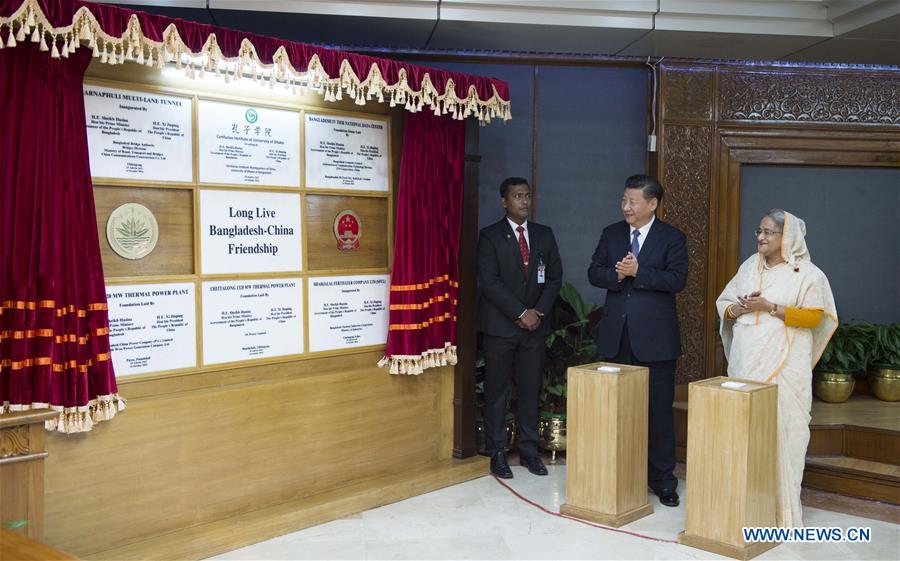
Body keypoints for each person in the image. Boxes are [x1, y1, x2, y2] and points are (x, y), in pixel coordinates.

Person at [716, 209, 837, 527]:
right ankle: (743, 507)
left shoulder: (808, 275)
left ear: (788, 237)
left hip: (786, 368)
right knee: (744, 432)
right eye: (759, 231)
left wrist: (770, 307)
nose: (760, 237)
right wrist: (738, 308)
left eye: (769, 232)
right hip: (746, 363)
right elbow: (724, 305)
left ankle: (781, 513)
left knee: (786, 433)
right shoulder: (748, 267)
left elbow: (814, 317)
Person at [587, 174, 688, 507]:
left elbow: (677, 280)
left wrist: (638, 272)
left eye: (632, 201)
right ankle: (619, 474)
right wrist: (616, 275)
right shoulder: (612, 233)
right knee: (616, 410)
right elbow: (593, 272)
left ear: (652, 203)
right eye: (623, 200)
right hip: (616, 337)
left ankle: (662, 480)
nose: (626, 207)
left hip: (655, 341)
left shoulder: (672, 237)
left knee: (658, 412)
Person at [477, 177, 562, 479]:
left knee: (529, 390)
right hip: (501, 328)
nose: (524, 201)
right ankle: (497, 451)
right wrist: (520, 312)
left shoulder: (544, 235)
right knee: (497, 391)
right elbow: (488, 283)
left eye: (527, 195)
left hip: (533, 329)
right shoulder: (489, 236)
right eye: (517, 196)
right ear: (504, 201)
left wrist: (535, 312)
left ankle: (529, 451)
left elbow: (554, 279)